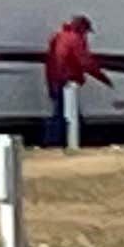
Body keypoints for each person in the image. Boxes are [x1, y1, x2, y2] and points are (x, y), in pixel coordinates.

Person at [44, 13, 100, 148]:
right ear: (81, 28)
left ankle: (59, 140)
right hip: (67, 81)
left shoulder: (58, 36)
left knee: (61, 111)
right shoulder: (76, 39)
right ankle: (57, 141)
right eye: (85, 30)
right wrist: (101, 76)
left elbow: (50, 61)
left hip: (55, 79)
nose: (86, 34)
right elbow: (84, 61)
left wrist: (50, 82)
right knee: (65, 113)